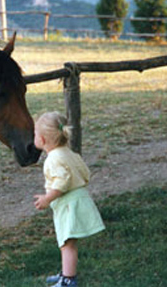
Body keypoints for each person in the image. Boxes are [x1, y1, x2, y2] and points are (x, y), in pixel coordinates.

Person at [33, 111, 105, 287]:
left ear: (42, 140)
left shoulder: (53, 159)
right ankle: (66, 273)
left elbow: (62, 181)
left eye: (35, 133)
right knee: (68, 243)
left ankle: (68, 280)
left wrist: (47, 198)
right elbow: (85, 174)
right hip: (78, 200)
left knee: (67, 244)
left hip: (68, 205)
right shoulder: (69, 153)